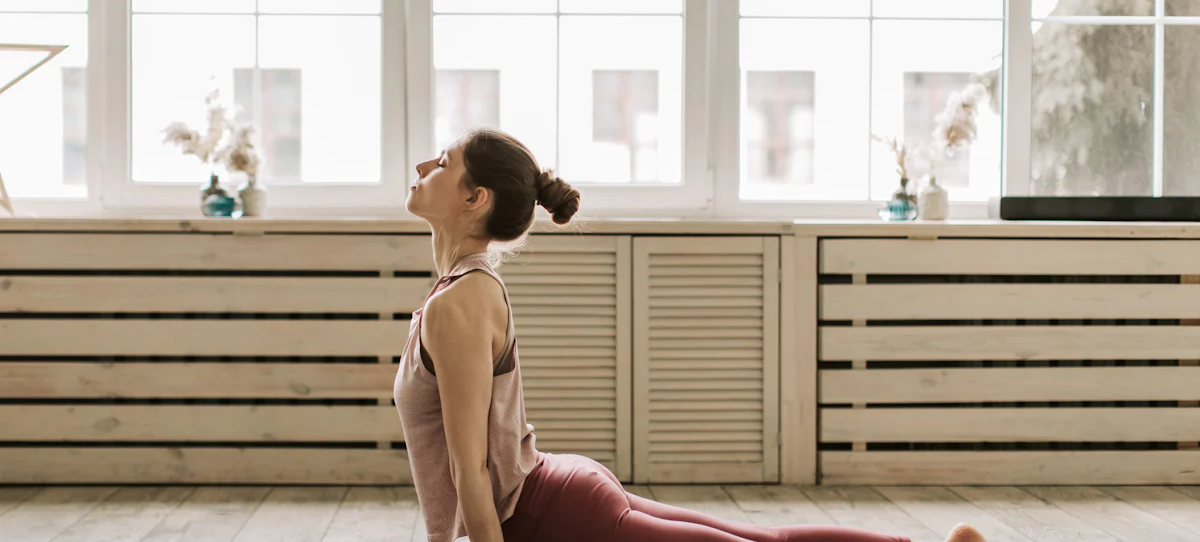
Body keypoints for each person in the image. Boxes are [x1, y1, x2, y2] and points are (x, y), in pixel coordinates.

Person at [394, 128, 987, 542]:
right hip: (554, 495)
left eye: (442, 162)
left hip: (550, 516)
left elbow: (470, 469)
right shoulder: (458, 291)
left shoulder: (462, 301)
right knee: (764, 538)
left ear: (476, 198)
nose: (424, 166)